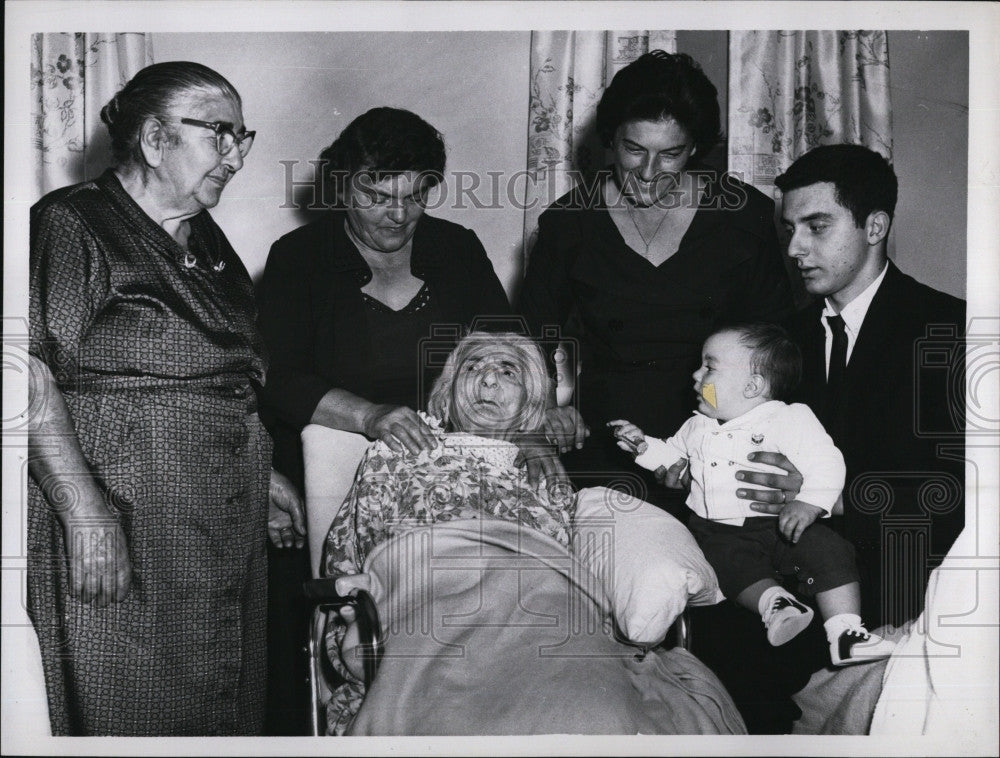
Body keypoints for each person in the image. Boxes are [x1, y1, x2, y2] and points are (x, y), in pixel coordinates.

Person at [516, 49, 799, 732]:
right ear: (608, 141)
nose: (647, 173)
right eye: (633, 150)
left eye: (671, 155)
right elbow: (525, 341)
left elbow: (785, 351)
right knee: (607, 638)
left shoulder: (744, 217)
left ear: (697, 149)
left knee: (743, 634)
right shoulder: (569, 223)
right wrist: (546, 409)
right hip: (612, 457)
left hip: (726, 451)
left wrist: (787, 452)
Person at [27, 61, 304, 736]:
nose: (236, 156)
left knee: (222, 694)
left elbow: (225, 372)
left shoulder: (208, 242)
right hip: (125, 505)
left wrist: (260, 472)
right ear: (155, 138)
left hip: (219, 511)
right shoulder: (73, 224)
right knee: (129, 701)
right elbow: (24, 369)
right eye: (221, 134)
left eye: (244, 137)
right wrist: (84, 510)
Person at [256, 107, 517, 733]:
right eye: (376, 195)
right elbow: (277, 378)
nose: (397, 215)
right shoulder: (299, 256)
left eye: (414, 195)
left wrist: (535, 415)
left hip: (454, 481)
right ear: (343, 185)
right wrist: (368, 414)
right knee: (348, 641)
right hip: (330, 480)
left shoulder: (455, 247)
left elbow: (509, 348)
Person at [319, 332, 573, 733]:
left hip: (522, 634)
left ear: (530, 403)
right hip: (421, 617)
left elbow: (562, 576)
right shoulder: (399, 453)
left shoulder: (544, 478)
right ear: (449, 394)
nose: (488, 380)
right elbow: (355, 552)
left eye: (507, 371)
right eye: (472, 368)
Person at [609, 323, 896, 666]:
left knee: (830, 549)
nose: (695, 375)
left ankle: (846, 632)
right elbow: (673, 457)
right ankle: (775, 604)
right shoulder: (697, 425)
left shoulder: (788, 419)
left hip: (779, 523)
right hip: (718, 530)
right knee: (724, 563)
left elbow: (826, 461)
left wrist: (810, 502)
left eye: (709, 367)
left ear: (753, 386)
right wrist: (643, 447)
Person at [766, 144, 966, 628]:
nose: (795, 248)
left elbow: (963, 491)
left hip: (909, 588)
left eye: (816, 227)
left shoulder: (952, 329)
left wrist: (831, 497)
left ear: (874, 227)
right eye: (790, 229)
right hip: (790, 581)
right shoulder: (782, 339)